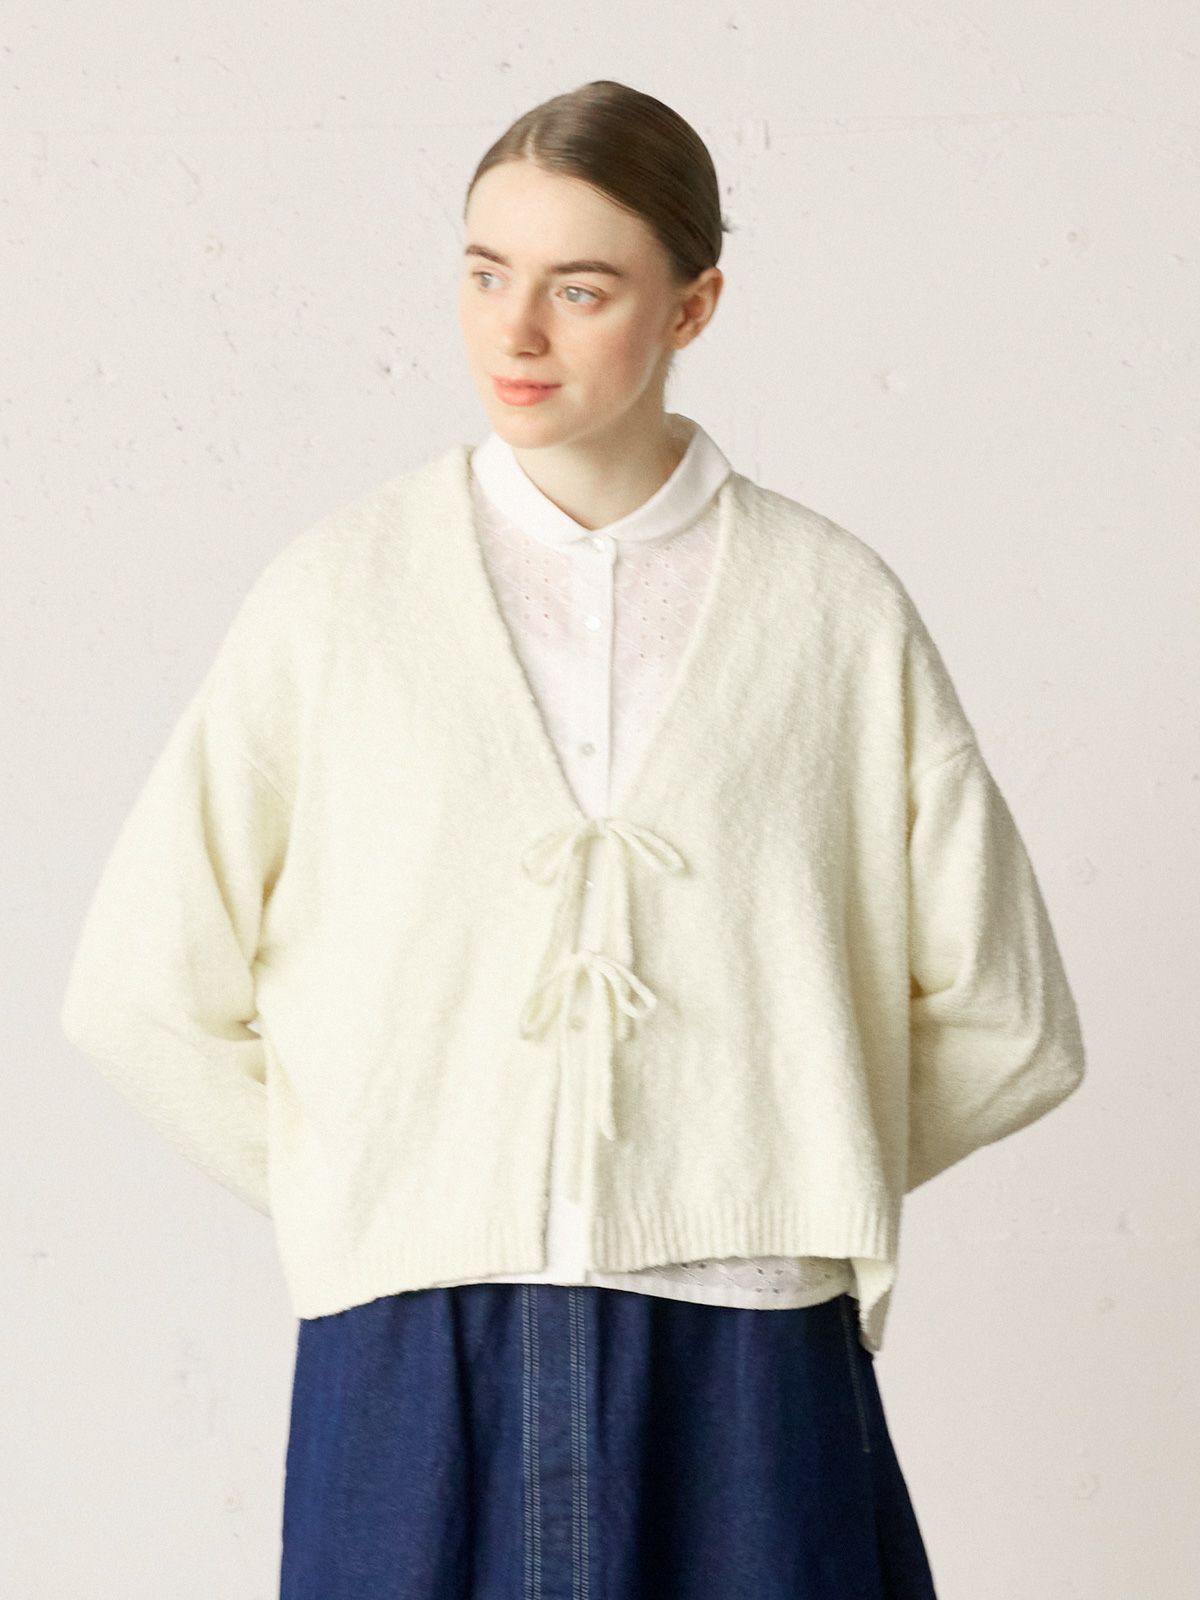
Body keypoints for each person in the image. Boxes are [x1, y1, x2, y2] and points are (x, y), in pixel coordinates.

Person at [60, 80, 1087, 1597]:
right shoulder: (336, 599)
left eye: (580, 288)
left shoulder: (833, 614)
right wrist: (385, 1177)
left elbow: (1016, 1021)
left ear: (693, 307)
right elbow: (139, 992)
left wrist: (771, 1162)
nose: (516, 331)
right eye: (486, 273)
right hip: (417, 1347)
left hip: (748, 1356)